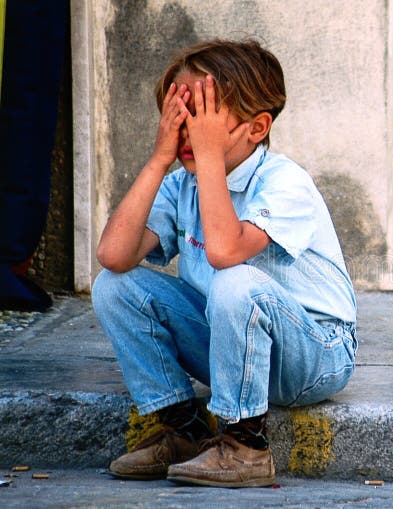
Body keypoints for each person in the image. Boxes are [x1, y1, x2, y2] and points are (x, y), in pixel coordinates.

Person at [91, 39, 357, 488]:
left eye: (206, 121)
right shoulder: (182, 185)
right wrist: (159, 158)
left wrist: (209, 157)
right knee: (114, 285)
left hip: (313, 354)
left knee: (235, 281)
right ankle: (184, 430)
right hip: (230, 347)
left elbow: (225, 251)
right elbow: (114, 254)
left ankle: (245, 446)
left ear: (256, 128)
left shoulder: (284, 182)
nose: (190, 134)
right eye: (180, 117)